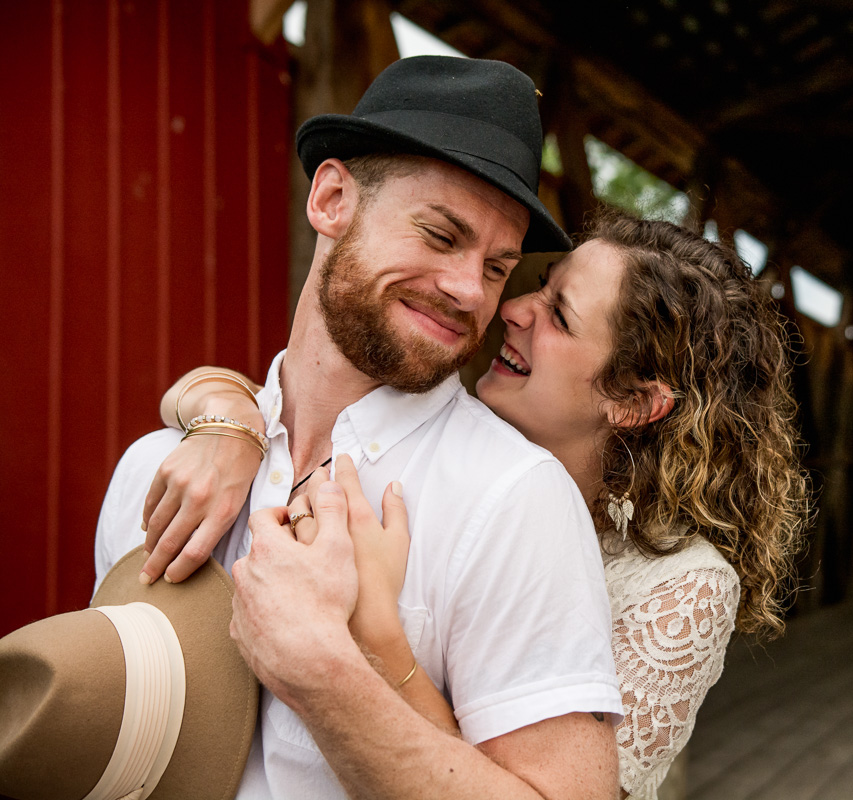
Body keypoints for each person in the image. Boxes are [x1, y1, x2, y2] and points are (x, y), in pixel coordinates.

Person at [94, 56, 625, 800]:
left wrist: (322, 672)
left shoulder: (514, 500)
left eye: (498, 267)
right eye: (442, 236)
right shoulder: (155, 468)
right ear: (333, 198)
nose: (470, 290)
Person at [143, 209, 811, 799]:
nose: (517, 308)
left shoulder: (682, 588)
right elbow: (300, 387)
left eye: (560, 315)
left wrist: (376, 629)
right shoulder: (446, 417)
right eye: (540, 288)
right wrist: (225, 414)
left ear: (633, 401)